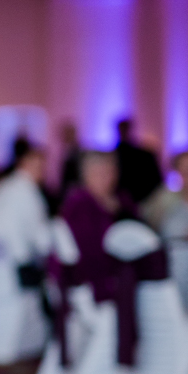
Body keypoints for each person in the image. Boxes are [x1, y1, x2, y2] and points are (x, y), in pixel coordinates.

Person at [60, 151, 139, 300]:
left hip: (123, 279)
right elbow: (89, 255)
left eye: (110, 172)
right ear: (85, 176)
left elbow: (139, 233)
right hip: (93, 287)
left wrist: (120, 212)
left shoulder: (122, 200)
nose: (106, 178)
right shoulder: (79, 204)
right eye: (98, 173)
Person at [0, 142, 52, 282]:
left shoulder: (0, 186)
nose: (42, 172)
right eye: (40, 167)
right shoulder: (29, 190)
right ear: (24, 164)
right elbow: (41, 238)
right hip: (18, 266)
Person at [115, 118, 162, 204]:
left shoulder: (145, 155)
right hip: (124, 202)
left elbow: (157, 180)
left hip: (144, 201)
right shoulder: (113, 157)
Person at [56, 120, 82, 204]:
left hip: (74, 189)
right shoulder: (65, 150)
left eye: (68, 133)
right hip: (65, 190)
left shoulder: (77, 151)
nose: (65, 136)